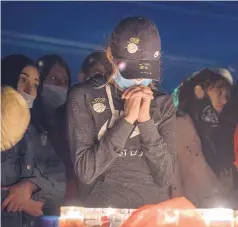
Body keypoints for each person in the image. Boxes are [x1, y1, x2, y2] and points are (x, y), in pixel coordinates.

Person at [67, 17, 178, 208]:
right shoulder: (83, 95)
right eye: (131, 69)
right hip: (102, 216)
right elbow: (86, 172)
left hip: (151, 217)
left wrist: (145, 121)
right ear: (110, 56)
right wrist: (126, 121)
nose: (137, 79)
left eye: (145, 70)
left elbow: (166, 177)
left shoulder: (162, 103)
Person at [1, 54, 65, 227]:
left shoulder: (41, 132)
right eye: (22, 80)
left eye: (35, 84)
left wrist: (31, 186)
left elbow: (60, 180)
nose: (29, 90)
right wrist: (21, 202)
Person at [172, 68, 234, 207]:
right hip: (188, 212)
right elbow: (192, 170)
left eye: (227, 96)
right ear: (199, 91)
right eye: (219, 92)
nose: (224, 100)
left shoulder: (217, 131)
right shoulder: (181, 124)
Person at [32, 54, 78, 203]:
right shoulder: (26, 124)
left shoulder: (71, 125)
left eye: (65, 81)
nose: (60, 85)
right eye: (54, 79)